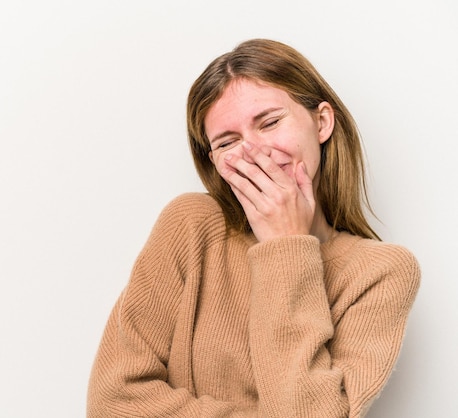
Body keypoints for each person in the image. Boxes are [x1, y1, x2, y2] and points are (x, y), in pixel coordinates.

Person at [87, 38, 420, 417]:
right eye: (228, 142)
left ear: (322, 121)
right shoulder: (191, 226)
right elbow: (112, 403)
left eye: (270, 122)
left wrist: (287, 245)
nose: (255, 152)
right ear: (215, 162)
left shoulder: (381, 273)